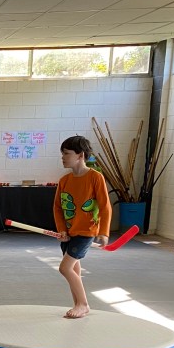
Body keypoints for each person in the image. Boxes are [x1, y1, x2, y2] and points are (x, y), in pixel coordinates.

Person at [54, 135, 111, 319]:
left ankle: (83, 304)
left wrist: (104, 232)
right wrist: (61, 230)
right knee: (74, 270)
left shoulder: (95, 177)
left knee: (65, 268)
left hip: (86, 232)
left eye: (66, 153)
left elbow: (105, 206)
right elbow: (57, 207)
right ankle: (78, 304)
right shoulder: (64, 180)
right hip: (69, 232)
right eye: (62, 153)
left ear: (80, 155)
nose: (63, 157)